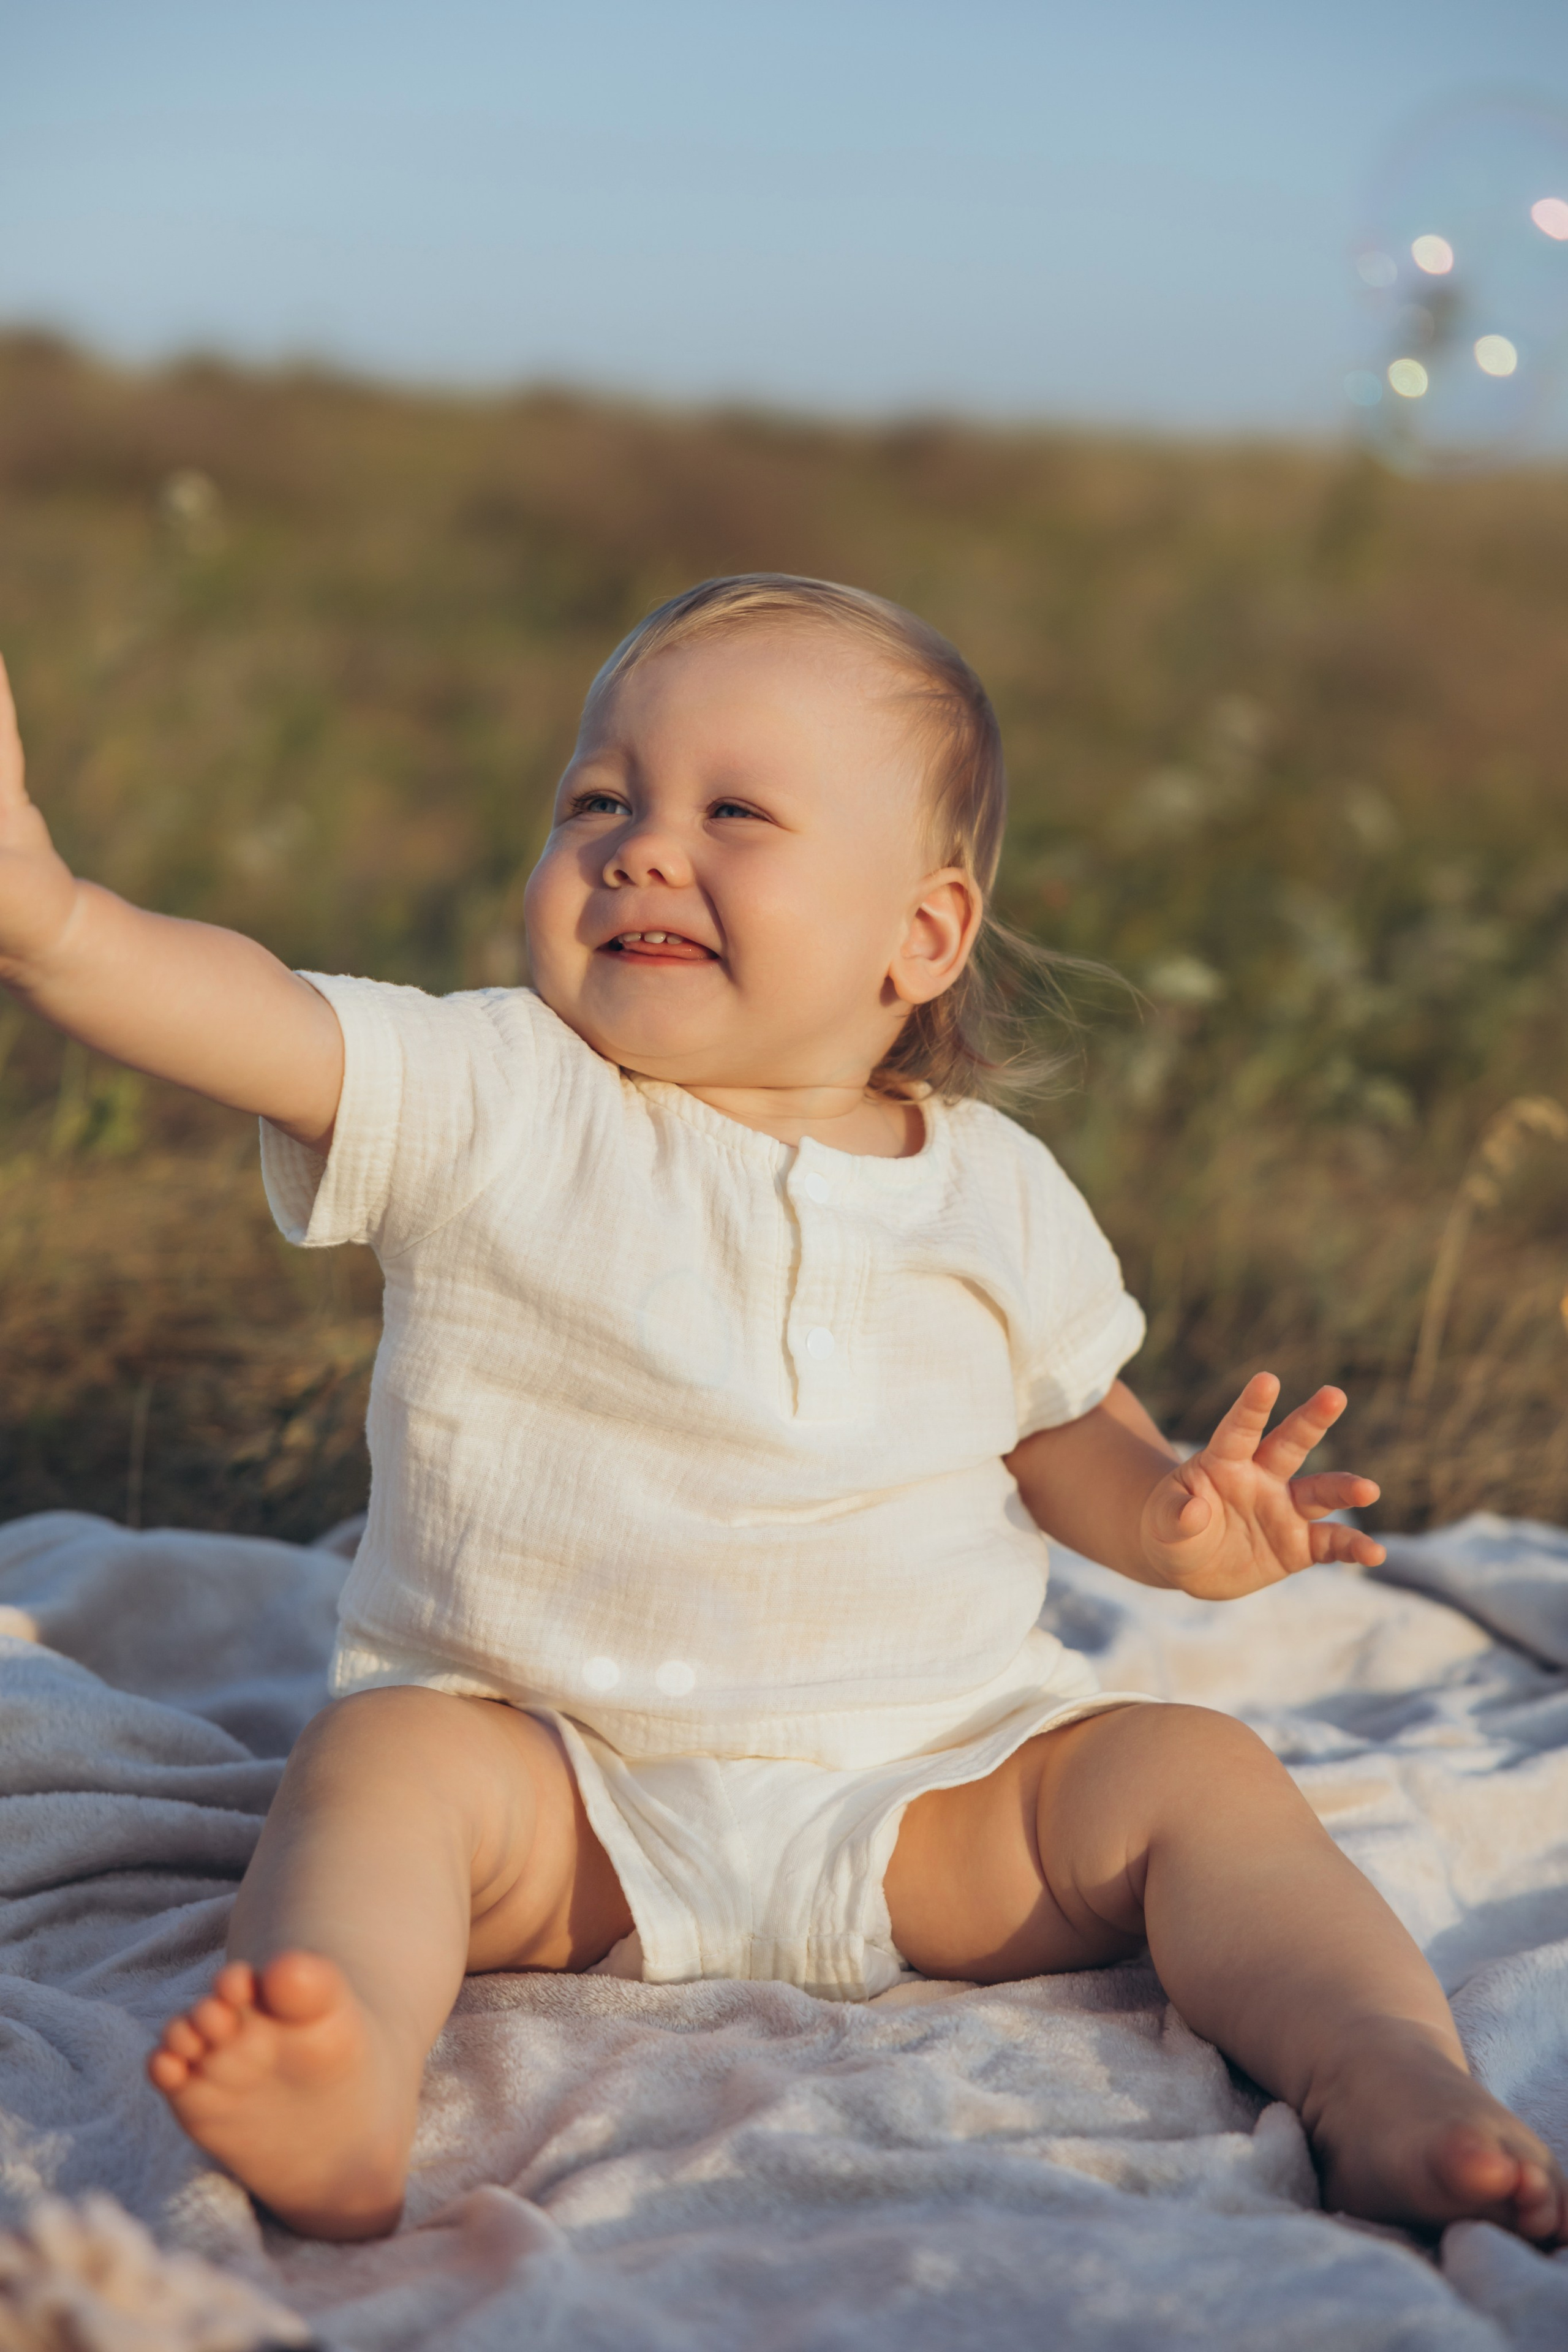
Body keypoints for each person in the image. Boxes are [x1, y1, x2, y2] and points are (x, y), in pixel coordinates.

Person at [0, 579, 1561, 2250]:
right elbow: (264, 1019)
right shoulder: (500, 1095)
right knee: (381, 1766)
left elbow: (1070, 1439)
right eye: (596, 799)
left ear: (925, 935)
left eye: (733, 811)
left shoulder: (998, 1193)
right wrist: (54, 918)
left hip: (934, 1800)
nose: (641, 848)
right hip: (564, 1794)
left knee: (1196, 1773)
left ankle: (1383, 2071)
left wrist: (1179, 1520)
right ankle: (350, 2073)